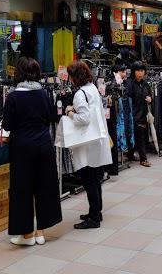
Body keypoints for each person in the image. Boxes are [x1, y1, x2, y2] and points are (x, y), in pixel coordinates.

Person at [2, 57, 62, 246]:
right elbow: (51, 117)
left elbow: (8, 125)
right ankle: (41, 232)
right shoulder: (44, 94)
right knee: (44, 186)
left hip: (22, 147)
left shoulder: (13, 96)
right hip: (44, 144)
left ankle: (26, 235)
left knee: (22, 189)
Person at [66, 61, 113, 229]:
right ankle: (96, 212)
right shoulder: (92, 89)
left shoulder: (80, 94)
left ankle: (94, 217)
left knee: (89, 179)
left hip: (87, 142)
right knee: (95, 178)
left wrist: (70, 113)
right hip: (97, 139)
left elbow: (84, 119)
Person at [125, 61, 152, 167]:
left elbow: (149, 94)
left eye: (142, 70)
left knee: (139, 136)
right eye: (137, 70)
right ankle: (143, 159)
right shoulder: (129, 83)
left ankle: (132, 154)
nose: (140, 73)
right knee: (138, 136)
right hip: (133, 114)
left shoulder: (145, 83)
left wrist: (150, 98)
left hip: (143, 113)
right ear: (133, 71)